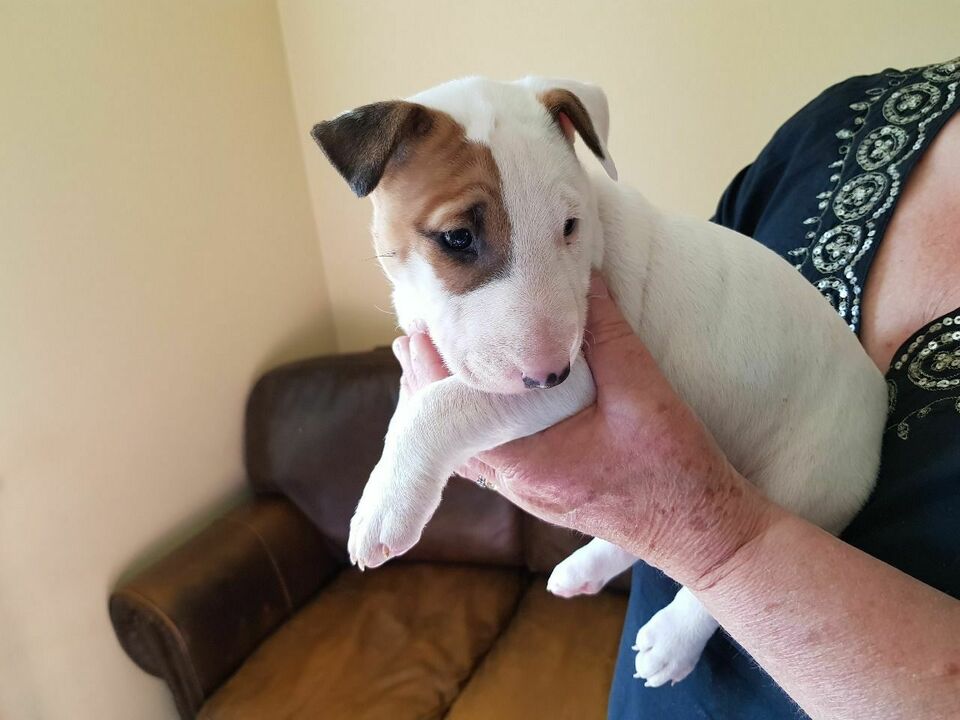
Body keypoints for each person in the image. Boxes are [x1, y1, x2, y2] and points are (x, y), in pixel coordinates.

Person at [392, 56, 960, 720]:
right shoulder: (844, 122)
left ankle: (693, 613)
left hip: (826, 455)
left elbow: (609, 422)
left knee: (812, 481)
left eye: (569, 229)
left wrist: (424, 438)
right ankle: (619, 553)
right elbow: (658, 417)